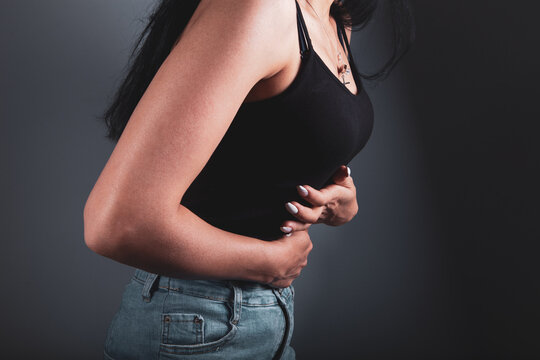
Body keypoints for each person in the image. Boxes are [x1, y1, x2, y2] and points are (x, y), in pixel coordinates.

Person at [83, 0, 415, 359]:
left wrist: (336, 202)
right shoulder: (259, 8)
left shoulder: (334, 17)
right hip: (196, 321)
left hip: (263, 316)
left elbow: (273, 142)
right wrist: (269, 263)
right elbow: (117, 223)